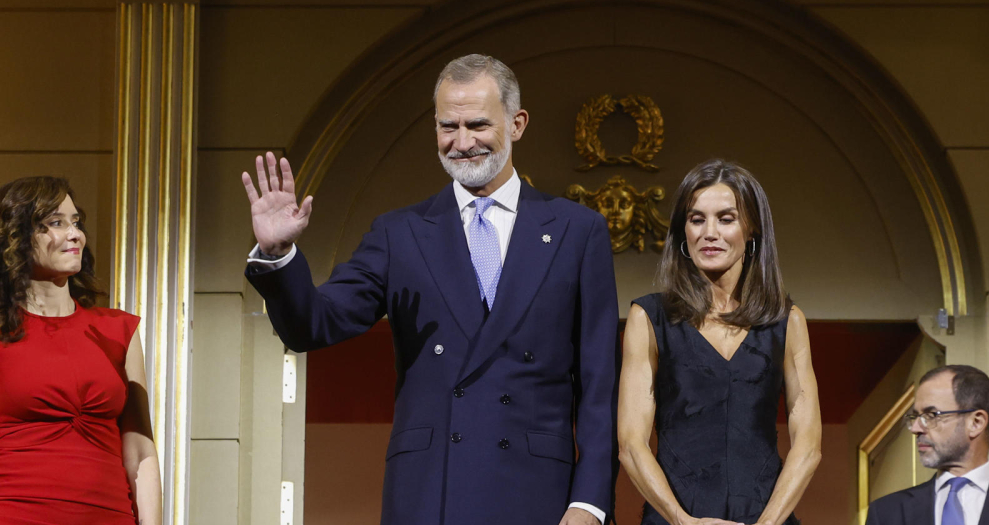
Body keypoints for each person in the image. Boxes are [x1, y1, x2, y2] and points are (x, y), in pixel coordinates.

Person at [240, 54, 618, 525]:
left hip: (539, 493)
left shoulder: (576, 231)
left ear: (517, 124)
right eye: (448, 126)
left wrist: (590, 502)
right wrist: (277, 255)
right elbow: (314, 325)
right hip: (429, 494)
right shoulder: (400, 234)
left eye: (478, 125)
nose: (462, 143)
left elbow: (601, 385)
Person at [617, 159, 821, 525]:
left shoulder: (786, 321)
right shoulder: (649, 318)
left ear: (751, 229)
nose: (709, 232)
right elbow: (631, 445)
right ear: (683, 231)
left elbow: (808, 444)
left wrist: (767, 523)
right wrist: (682, 520)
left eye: (726, 219)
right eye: (697, 219)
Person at [0, 176, 161, 524]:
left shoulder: (117, 330)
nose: (75, 234)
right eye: (55, 223)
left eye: (76, 222)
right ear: (17, 238)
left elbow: (139, 448)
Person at [865, 365, 989, 525]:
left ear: (976, 423)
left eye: (931, 415)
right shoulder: (886, 514)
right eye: (915, 416)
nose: (915, 428)